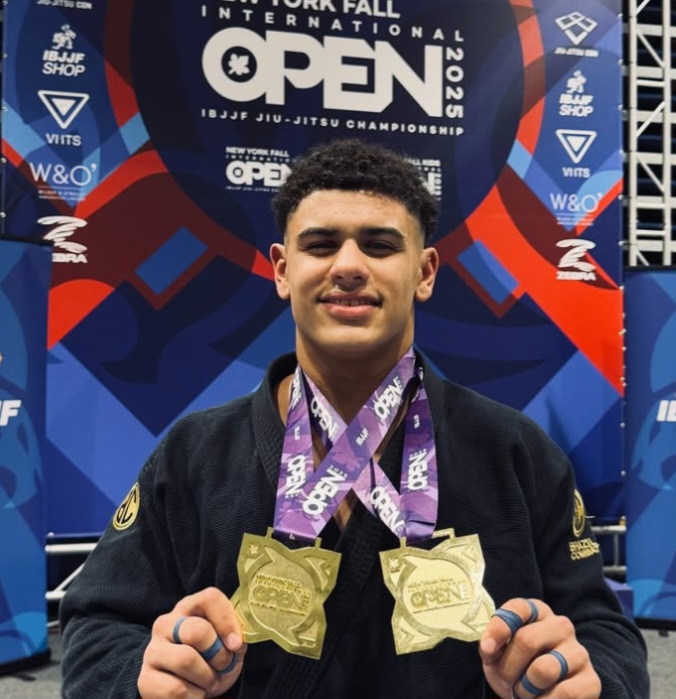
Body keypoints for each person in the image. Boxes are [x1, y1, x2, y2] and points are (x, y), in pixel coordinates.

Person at [60, 138, 649, 699]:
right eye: (320, 245)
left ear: (425, 272)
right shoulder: (194, 454)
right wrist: (143, 676)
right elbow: (98, 625)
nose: (348, 265)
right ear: (281, 269)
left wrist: (582, 677)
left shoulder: (514, 451)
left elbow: (603, 632)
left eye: (380, 245)